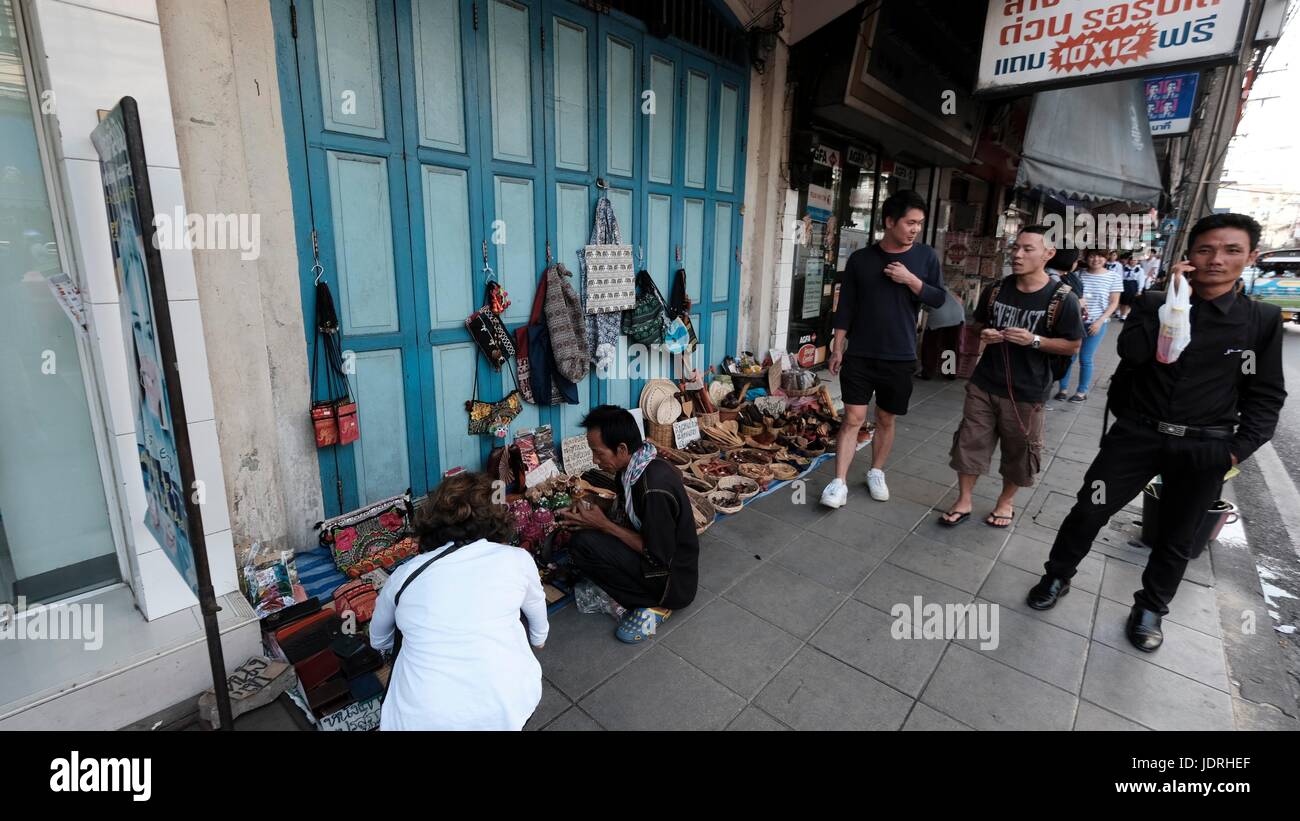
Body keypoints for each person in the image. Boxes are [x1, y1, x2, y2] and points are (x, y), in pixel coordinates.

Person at [1027, 213, 1286, 652]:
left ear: (1251, 258)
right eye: (1205, 250)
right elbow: (1132, 352)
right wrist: (1171, 301)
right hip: (1137, 436)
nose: (1216, 260)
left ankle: (1150, 608)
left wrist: (1234, 453)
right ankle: (1057, 574)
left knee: (1178, 536)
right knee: (1089, 509)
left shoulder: (1260, 321)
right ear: (1189, 256)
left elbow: (1265, 393)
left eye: (1231, 251)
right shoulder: (1152, 303)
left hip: (1205, 446)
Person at [369, 472, 548, 731]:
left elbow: (379, 640)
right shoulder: (517, 559)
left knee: (405, 622)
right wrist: (538, 639)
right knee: (512, 603)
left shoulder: (404, 575)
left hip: (418, 721)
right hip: (509, 707)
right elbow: (537, 613)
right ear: (495, 519)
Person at [940, 226, 1083, 528]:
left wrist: (1035, 340)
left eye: (1028, 249)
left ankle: (1005, 502)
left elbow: (1073, 345)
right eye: (1015, 247)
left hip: (1028, 391)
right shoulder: (996, 289)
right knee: (970, 441)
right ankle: (964, 499)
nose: (1017, 254)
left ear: (1048, 254)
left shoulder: (1062, 299)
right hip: (984, 382)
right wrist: (986, 333)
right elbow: (977, 325)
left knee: (1020, 450)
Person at [821, 190, 946, 508]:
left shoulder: (925, 258)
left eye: (919, 223)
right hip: (860, 353)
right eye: (910, 222)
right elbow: (845, 307)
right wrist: (837, 348)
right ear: (890, 221)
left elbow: (938, 298)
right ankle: (839, 483)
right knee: (853, 418)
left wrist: (911, 280)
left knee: (886, 418)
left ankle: (876, 471)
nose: (915, 229)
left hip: (900, 354)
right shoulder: (862, 260)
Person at [559, 405, 699, 643]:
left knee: (582, 545)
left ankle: (652, 605)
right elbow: (629, 512)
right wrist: (594, 505)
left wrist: (604, 525)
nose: (594, 460)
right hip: (659, 562)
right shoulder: (635, 467)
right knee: (582, 537)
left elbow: (657, 554)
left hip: (673, 584)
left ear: (622, 449)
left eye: (598, 453)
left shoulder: (654, 488)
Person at [1054, 248, 1122, 402]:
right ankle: (1062, 389)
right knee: (1068, 356)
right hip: (1074, 323)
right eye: (1092, 255)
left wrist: (1099, 321)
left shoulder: (1113, 277)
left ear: (1106, 258)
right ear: (1086, 258)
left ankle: (1081, 392)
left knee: (1086, 358)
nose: (1096, 259)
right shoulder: (1077, 275)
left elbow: (1114, 303)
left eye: (1100, 256)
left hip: (1096, 324)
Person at [917, 289, 966, 380]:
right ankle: (950, 373)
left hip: (939, 315)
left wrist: (917, 324)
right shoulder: (942, 287)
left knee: (930, 344)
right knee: (951, 345)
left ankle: (927, 373)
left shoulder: (921, 287)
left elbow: (916, 308)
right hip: (958, 315)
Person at [1117, 251, 1145, 320]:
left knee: (1130, 301)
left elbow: (1141, 280)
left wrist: (1139, 290)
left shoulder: (1140, 270)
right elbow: (1120, 277)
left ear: (1137, 261)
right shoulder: (1124, 268)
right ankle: (1121, 313)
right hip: (1124, 284)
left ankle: (1124, 315)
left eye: (1135, 260)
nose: (1133, 261)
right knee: (1122, 300)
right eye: (1132, 260)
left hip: (1133, 285)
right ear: (1129, 260)